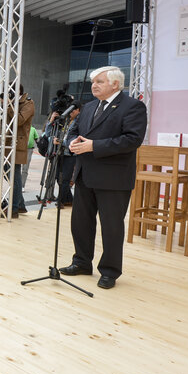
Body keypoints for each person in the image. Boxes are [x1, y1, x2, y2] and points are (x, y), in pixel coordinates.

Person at [61, 66, 147, 289]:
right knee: (80, 223)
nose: (94, 85)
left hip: (113, 178)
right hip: (85, 175)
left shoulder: (133, 106)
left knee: (111, 227)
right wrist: (70, 142)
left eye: (99, 81)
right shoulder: (89, 107)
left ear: (115, 84)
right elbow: (74, 130)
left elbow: (132, 139)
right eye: (93, 82)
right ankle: (81, 262)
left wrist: (94, 146)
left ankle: (109, 271)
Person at [0, 85, 35, 218]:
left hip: (17, 143)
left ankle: (14, 208)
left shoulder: (28, 103)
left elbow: (19, 120)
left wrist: (10, 105)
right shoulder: (9, 102)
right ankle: (21, 205)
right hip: (5, 141)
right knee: (7, 172)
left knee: (14, 176)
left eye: (10, 91)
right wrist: (1, 103)